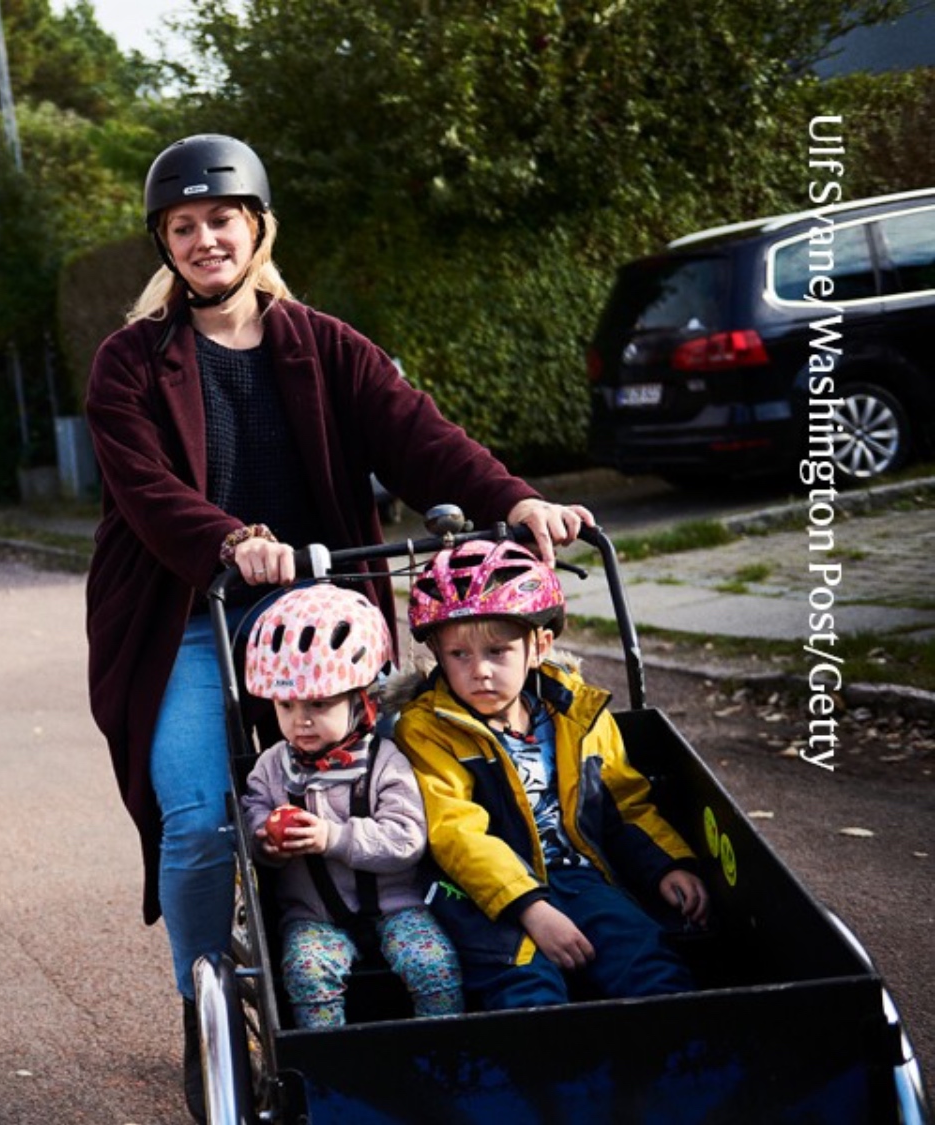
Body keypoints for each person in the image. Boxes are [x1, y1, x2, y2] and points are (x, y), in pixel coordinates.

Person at [83, 132, 594, 1120]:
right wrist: (231, 540)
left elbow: (419, 435)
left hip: (315, 612)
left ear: (258, 229)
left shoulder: (323, 346)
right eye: (182, 227)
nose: (204, 240)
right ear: (164, 245)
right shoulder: (130, 361)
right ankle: (205, 1007)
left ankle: (409, 955)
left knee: (392, 780)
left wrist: (516, 500)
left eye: (221, 220)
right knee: (199, 822)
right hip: (184, 611)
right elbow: (142, 486)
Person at [394, 539, 710, 1011]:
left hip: (576, 874)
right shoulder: (429, 729)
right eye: (459, 655)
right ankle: (546, 1050)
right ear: (437, 653)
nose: (479, 671)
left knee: (646, 957)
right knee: (526, 982)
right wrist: (531, 908)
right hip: (483, 892)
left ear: (538, 647)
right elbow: (456, 832)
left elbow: (622, 800)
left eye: (497, 651)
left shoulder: (575, 714)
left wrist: (665, 864)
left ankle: (683, 1046)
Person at [238, 584, 463, 1028]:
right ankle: (327, 1059)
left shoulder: (385, 762)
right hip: (313, 918)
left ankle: (442, 1048)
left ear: (363, 702)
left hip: (398, 907)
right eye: (286, 705)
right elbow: (253, 814)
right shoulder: (272, 767)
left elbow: (406, 839)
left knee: (434, 965)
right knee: (306, 972)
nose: (301, 720)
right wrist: (265, 839)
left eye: (319, 704)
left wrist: (332, 837)